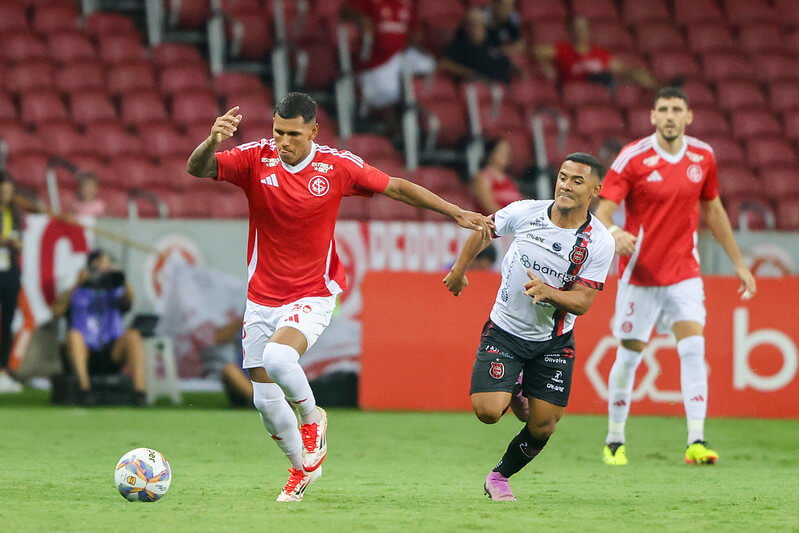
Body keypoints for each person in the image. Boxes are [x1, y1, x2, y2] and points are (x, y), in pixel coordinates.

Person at [186, 92, 492, 502]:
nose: (283, 141)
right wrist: (212, 141)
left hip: (313, 292)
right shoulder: (255, 157)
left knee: (280, 359)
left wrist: (456, 213)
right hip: (261, 297)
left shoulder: (337, 165)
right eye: (278, 131)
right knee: (263, 398)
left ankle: (313, 419)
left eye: (293, 134)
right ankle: (301, 468)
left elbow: (397, 187)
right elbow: (197, 169)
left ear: (313, 130)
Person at [595, 87, 757, 466]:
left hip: (685, 272)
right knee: (629, 356)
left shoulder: (703, 156)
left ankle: (696, 440)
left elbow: (713, 210)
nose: (669, 116)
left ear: (689, 116)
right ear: (652, 116)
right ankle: (615, 439)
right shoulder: (633, 158)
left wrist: (739, 262)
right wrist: (615, 232)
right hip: (640, 276)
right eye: (663, 110)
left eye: (676, 110)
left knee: (694, 351)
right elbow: (603, 209)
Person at [443, 153, 615, 501]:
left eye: (577, 180)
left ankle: (499, 477)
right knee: (488, 412)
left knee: (543, 425)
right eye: (563, 176)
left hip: (554, 342)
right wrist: (460, 271)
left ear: (596, 189)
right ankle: (516, 387)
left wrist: (549, 294)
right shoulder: (526, 211)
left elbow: (582, 302)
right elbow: (485, 230)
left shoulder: (599, 241)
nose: (566, 185)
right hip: (505, 331)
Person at [52, 250, 147, 406]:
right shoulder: (77, 291)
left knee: (133, 335)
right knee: (74, 336)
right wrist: (77, 284)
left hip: (110, 350)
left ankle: (139, 393)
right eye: (100, 265)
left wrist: (121, 280)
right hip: (84, 351)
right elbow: (56, 311)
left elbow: (128, 301)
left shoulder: (114, 290)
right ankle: (85, 391)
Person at [341, 0, 435, 123]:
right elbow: (344, 10)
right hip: (376, 58)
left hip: (400, 53)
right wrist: (360, 18)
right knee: (385, 96)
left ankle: (412, 102)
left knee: (427, 64)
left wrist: (415, 44)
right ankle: (388, 123)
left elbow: (413, 30)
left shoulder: (407, 3)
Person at [534, 17, 656, 90]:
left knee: (636, 74)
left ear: (589, 32)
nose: (581, 33)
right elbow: (538, 51)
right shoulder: (563, 49)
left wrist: (633, 73)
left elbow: (620, 68)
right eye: (577, 30)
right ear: (571, 32)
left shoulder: (598, 52)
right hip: (579, 88)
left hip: (602, 86)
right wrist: (546, 64)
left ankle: (662, 92)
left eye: (583, 29)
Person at [440, 7, 514, 83]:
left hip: (500, 84)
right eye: (473, 24)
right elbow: (444, 63)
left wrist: (513, 69)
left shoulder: (492, 41)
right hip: (475, 86)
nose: (477, 28)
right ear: (466, 27)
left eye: (480, 24)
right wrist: (468, 73)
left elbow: (505, 61)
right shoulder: (460, 44)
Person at [0, 171, 23, 393]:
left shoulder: (14, 215)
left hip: (8, 271)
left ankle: (3, 369)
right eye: (3, 190)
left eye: (8, 191)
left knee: (7, 322)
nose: (5, 195)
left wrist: (16, 244)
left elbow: (22, 242)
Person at [472, 138, 523, 215]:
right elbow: (489, 207)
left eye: (507, 153)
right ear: (490, 154)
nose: (505, 156)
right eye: (501, 152)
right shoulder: (482, 177)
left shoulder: (509, 180)